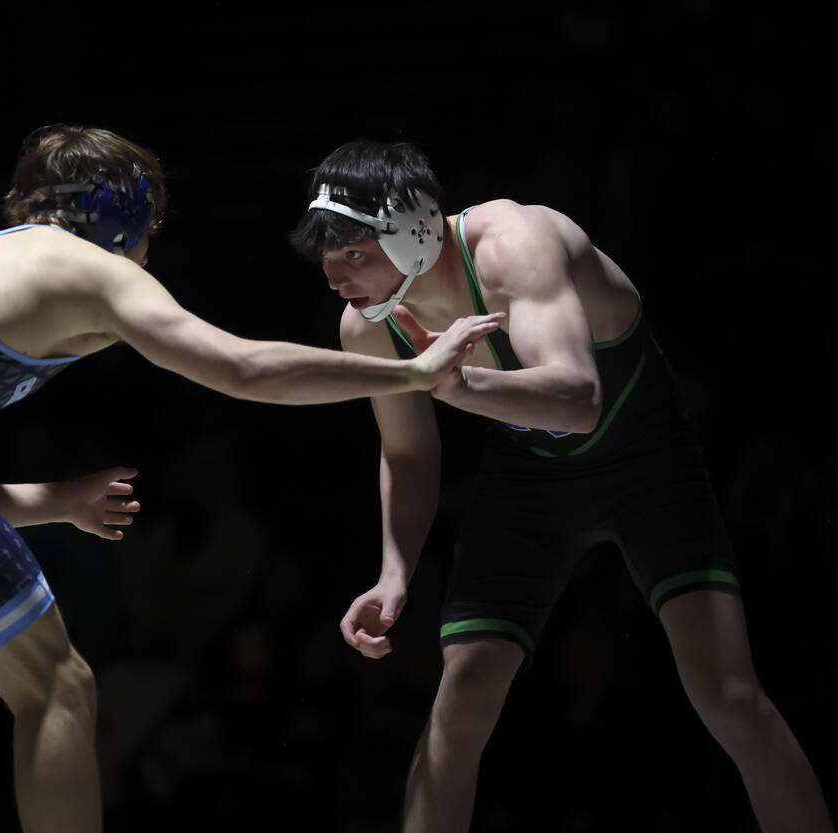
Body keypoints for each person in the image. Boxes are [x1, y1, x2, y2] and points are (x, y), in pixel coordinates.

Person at [0, 125, 503, 833]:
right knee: (57, 687)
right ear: (125, 221)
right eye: (149, 235)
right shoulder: (88, 266)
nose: (149, 256)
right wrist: (415, 372)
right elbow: (244, 370)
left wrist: (59, 501)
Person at [291, 138, 834, 833]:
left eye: (354, 256)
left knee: (727, 693)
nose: (337, 281)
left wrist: (453, 382)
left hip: (646, 456)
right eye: (328, 262)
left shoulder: (516, 241)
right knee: (460, 700)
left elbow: (578, 401)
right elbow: (407, 448)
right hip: (529, 473)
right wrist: (394, 573)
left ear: (414, 225)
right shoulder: (366, 327)